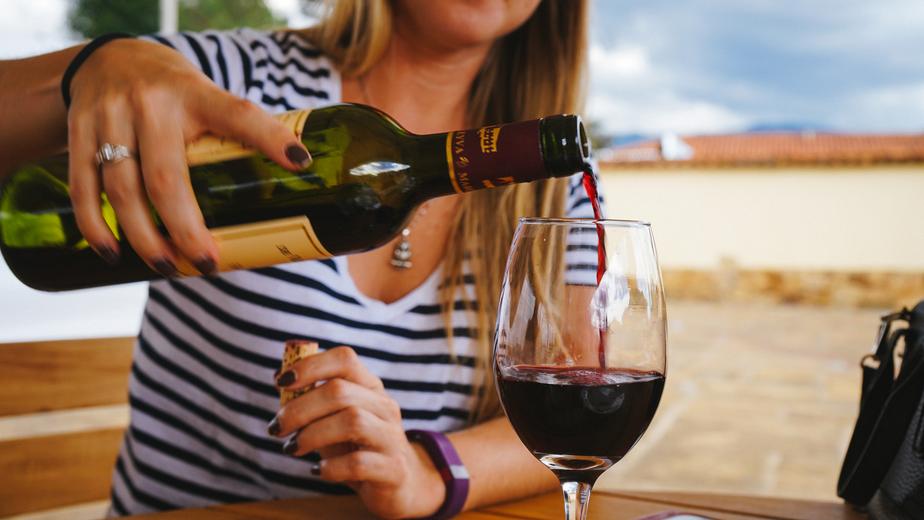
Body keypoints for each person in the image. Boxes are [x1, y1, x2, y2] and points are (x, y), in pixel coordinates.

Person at [0, 0, 598, 517]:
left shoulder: (549, 176)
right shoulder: (233, 82)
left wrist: (424, 472)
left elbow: (577, 420)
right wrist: (91, 67)